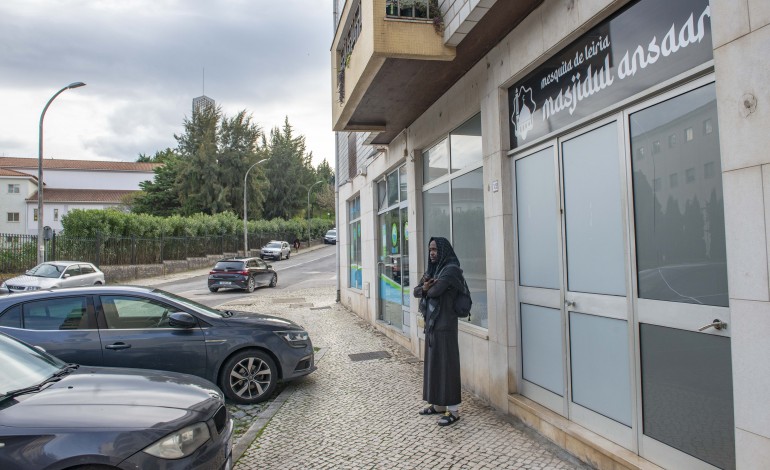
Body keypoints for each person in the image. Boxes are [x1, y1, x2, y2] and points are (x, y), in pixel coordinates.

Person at [413, 236, 464, 426]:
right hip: (433, 324)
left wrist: (426, 288)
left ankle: (454, 410)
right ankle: (438, 405)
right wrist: (425, 287)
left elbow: (434, 291)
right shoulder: (433, 270)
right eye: (430, 250)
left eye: (434, 249)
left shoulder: (451, 270)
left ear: (442, 250)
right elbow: (416, 291)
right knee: (434, 365)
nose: (432, 253)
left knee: (448, 366)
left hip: (446, 326)